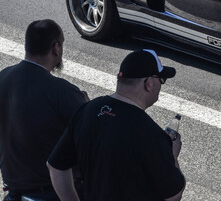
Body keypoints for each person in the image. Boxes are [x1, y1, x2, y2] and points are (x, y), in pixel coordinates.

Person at [47, 49, 186, 201]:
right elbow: (174, 194)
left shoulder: (88, 110)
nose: (161, 86)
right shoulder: (151, 134)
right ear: (149, 84)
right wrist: (171, 154)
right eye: (161, 80)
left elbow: (55, 166)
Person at [0, 19, 88, 201]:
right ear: (56, 48)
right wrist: (87, 108)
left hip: (14, 192)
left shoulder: (3, 78)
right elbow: (91, 137)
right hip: (51, 193)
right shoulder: (61, 91)